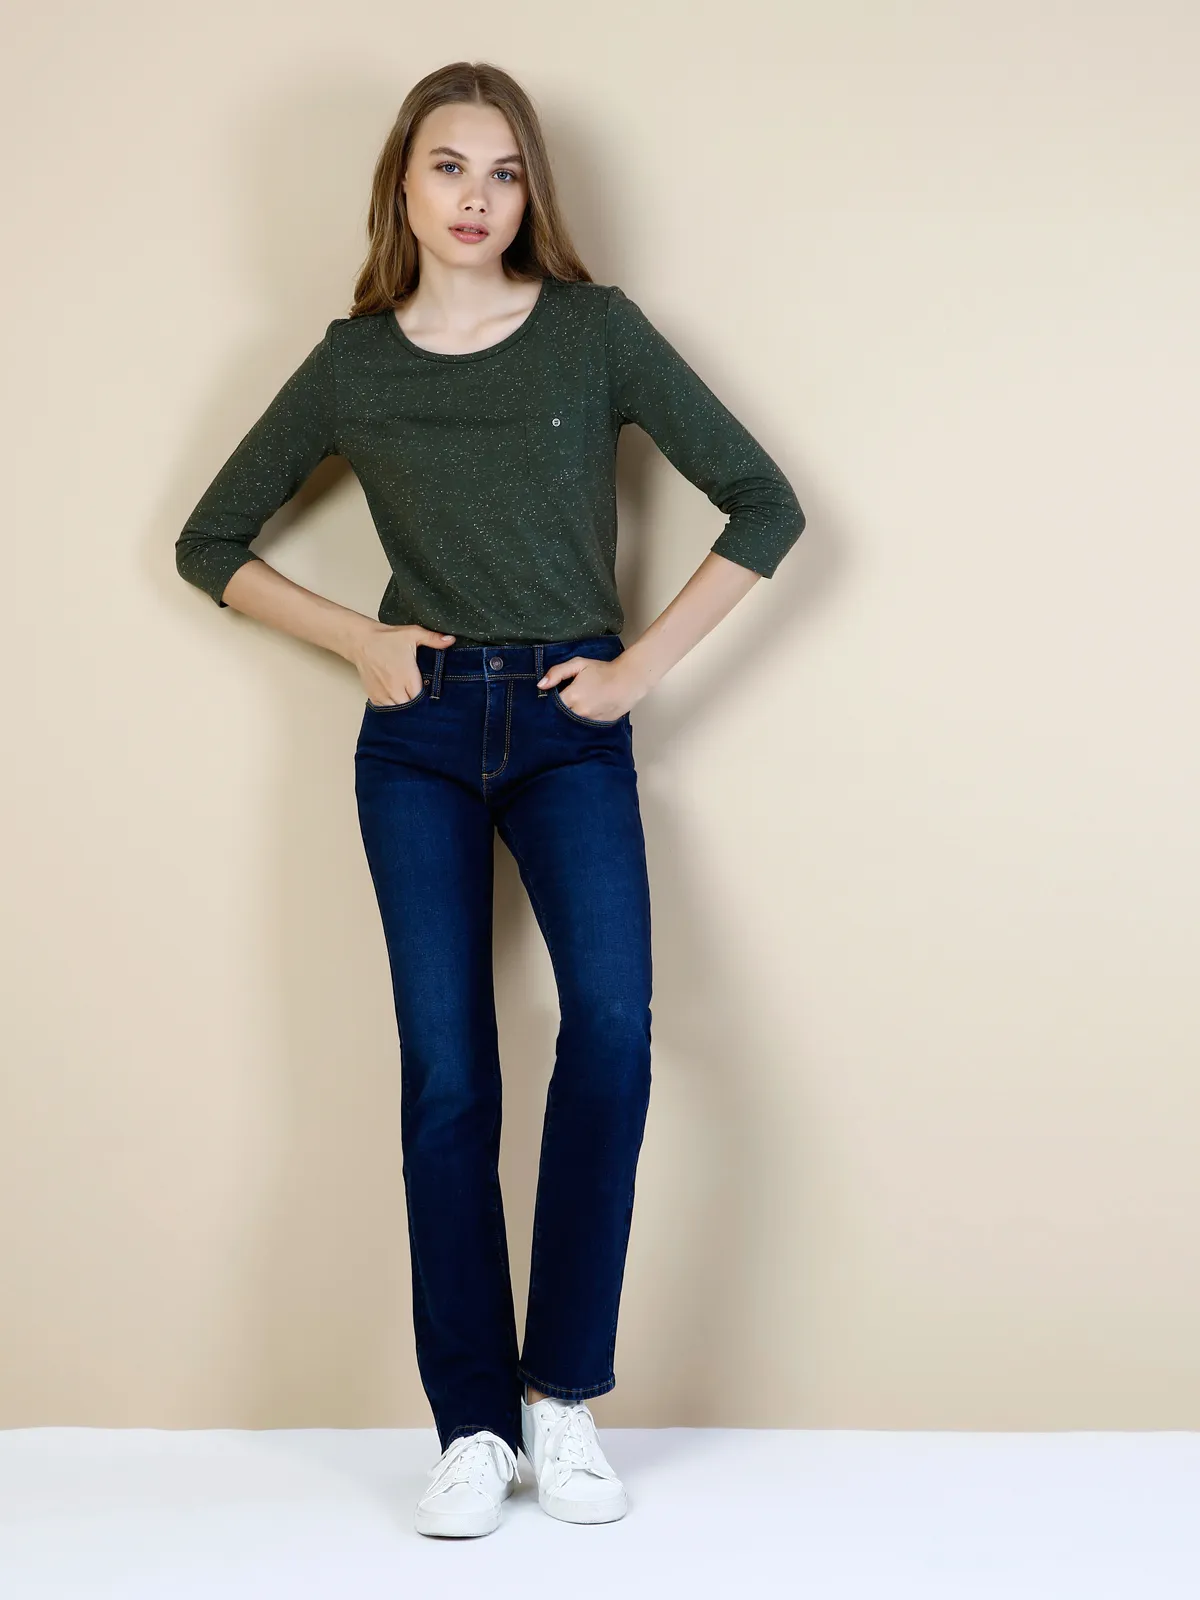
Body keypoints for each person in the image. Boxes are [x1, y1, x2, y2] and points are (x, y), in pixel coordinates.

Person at [175, 60, 805, 1539]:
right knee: (450, 1076)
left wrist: (636, 670)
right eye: (450, 167)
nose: (477, 197)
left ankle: (560, 1395)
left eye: (505, 172)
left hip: (572, 726)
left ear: (533, 193)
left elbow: (765, 502)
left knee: (615, 1032)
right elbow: (210, 543)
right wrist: (359, 638)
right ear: (402, 182)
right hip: (419, 734)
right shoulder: (354, 364)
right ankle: (470, 1424)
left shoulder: (594, 332)